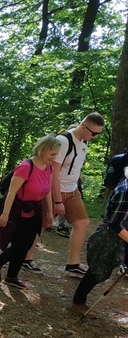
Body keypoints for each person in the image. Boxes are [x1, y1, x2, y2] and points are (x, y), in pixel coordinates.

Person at [0, 135, 59, 289]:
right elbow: (12, 192)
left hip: (35, 210)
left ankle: (10, 275)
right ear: (43, 150)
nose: (54, 158)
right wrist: (5, 214)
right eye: (52, 154)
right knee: (19, 244)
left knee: (26, 245)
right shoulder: (26, 167)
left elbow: (47, 191)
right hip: (17, 210)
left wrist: (49, 212)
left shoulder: (49, 168)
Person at [69, 163, 128, 318]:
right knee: (98, 271)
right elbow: (114, 223)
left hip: (123, 236)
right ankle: (78, 302)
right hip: (109, 237)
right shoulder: (125, 190)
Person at [50, 113, 105, 277]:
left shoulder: (83, 142)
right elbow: (53, 173)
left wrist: (77, 176)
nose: (95, 137)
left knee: (82, 222)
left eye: (98, 134)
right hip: (56, 190)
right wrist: (58, 200)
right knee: (41, 223)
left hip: (72, 190)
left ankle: (72, 264)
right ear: (83, 127)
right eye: (94, 133)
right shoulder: (63, 141)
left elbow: (76, 165)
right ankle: (24, 259)